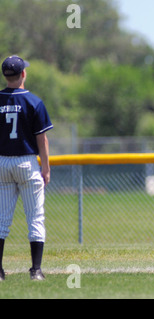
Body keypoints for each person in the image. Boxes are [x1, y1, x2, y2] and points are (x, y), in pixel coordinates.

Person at [0, 56, 53, 281]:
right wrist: (46, 168)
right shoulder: (33, 101)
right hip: (26, 163)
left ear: (5, 76)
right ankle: (36, 270)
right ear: (23, 74)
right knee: (35, 218)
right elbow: (42, 140)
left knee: (2, 220)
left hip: (2, 163)